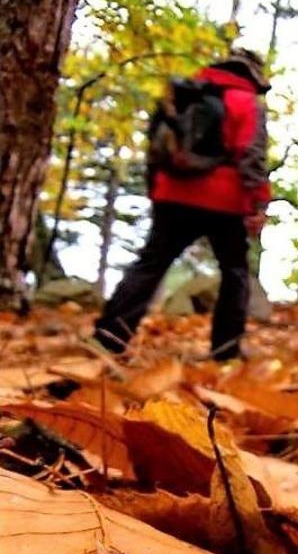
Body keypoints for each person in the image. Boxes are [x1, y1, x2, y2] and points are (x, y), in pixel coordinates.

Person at [94, 49, 271, 361]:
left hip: (173, 193)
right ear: (254, 76)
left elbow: (157, 145)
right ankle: (226, 350)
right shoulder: (247, 103)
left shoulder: (184, 93)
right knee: (234, 272)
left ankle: (108, 338)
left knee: (151, 264)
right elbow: (252, 157)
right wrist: (258, 204)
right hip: (224, 201)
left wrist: (156, 190)